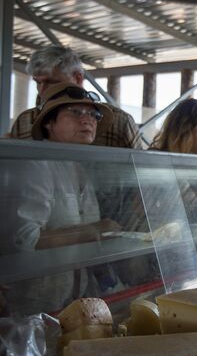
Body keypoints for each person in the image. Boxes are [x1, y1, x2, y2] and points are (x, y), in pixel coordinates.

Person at [0, 82, 121, 315]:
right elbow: (25, 239)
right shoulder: (36, 165)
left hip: (77, 298)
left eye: (93, 114)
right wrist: (93, 230)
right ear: (49, 122)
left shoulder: (78, 166)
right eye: (75, 112)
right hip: (37, 303)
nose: (88, 120)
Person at [10, 45, 142, 149]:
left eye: (52, 82)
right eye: (38, 82)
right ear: (48, 124)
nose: (42, 90)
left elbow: (140, 174)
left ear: (78, 78)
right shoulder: (24, 121)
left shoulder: (119, 122)